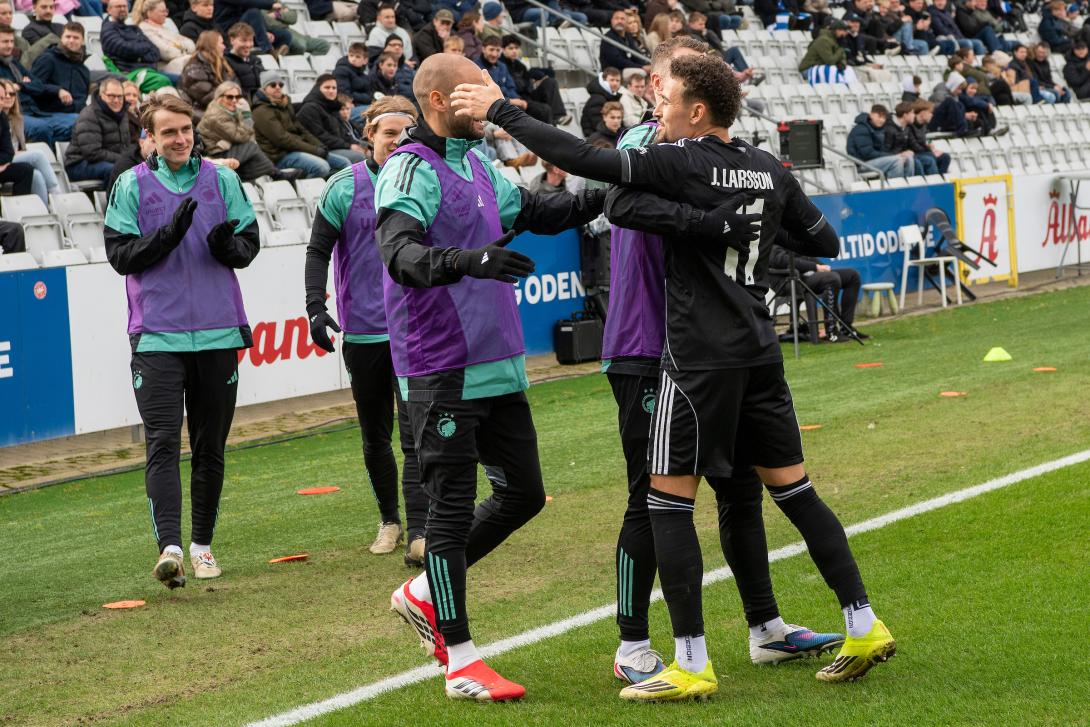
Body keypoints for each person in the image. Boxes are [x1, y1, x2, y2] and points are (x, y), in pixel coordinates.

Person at [450, 49, 896, 699]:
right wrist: (737, 229)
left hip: (696, 360)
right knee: (795, 492)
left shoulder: (681, 159)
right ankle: (862, 622)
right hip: (759, 351)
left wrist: (501, 111)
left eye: (667, 99)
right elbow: (822, 241)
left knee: (665, 502)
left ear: (696, 108)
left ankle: (687, 660)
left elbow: (589, 164)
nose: (658, 109)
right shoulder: (766, 165)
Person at [597, 35, 844, 687]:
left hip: (705, 346)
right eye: (667, 78)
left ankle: (766, 626)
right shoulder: (646, 146)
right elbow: (635, 207)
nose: (665, 93)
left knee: (739, 488)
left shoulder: (701, 153)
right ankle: (631, 641)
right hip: (647, 343)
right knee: (651, 494)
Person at [379, 53, 607, 702]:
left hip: (497, 362)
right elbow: (399, 254)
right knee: (448, 513)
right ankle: (460, 661)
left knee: (524, 494)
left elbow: (541, 211)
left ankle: (423, 592)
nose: (488, 101)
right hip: (441, 366)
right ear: (437, 100)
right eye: (475, 92)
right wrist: (469, 261)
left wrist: (621, 184)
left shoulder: (478, 162)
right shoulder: (409, 167)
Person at [104, 93, 258, 589]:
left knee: (211, 446)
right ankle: (170, 549)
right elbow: (121, 256)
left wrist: (226, 245)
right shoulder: (130, 184)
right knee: (164, 442)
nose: (180, 138)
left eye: (185, 129)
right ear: (148, 137)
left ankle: (203, 547)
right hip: (156, 338)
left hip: (218, 332)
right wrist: (166, 237)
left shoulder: (224, 180)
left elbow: (249, 246)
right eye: (168, 131)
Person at [304, 95, 430, 564]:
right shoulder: (343, 187)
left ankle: (420, 529)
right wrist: (315, 307)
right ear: (369, 137)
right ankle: (390, 521)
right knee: (376, 436)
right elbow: (318, 251)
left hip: (417, 333)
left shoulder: (426, 178)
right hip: (364, 335)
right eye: (389, 133)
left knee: (416, 434)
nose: (398, 141)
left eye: (406, 133)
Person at [0, 25, 77, 144]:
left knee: (79, 120)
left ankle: (50, 146)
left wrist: (20, 86)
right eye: (5, 42)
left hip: (35, 112)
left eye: (11, 41)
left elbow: (39, 86)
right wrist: (23, 85)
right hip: (13, 115)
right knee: (42, 128)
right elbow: (6, 92)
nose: (10, 45)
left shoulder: (13, 63)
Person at [770, 243, 863, 341]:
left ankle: (846, 327)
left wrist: (821, 266)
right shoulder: (773, 237)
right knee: (832, 278)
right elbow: (779, 260)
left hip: (808, 274)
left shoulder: (794, 237)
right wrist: (815, 267)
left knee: (852, 276)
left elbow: (807, 255)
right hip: (789, 279)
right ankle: (831, 331)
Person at [198, 80, 287, 181]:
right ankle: (276, 174)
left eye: (238, 97)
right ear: (219, 98)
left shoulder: (232, 111)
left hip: (228, 149)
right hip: (216, 155)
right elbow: (241, 138)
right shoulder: (216, 117)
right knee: (251, 147)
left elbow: (251, 135)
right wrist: (247, 115)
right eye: (230, 97)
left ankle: (272, 175)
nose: (234, 100)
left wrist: (245, 121)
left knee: (253, 152)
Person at [253, 69, 331, 178]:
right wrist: (314, 150)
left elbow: (301, 129)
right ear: (264, 88)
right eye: (273, 85)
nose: (278, 87)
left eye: (280, 84)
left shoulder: (285, 103)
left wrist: (318, 145)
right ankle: (303, 185)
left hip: (296, 149)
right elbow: (282, 139)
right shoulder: (261, 111)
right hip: (279, 156)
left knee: (343, 163)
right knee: (322, 167)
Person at [0, 78, 59, 202]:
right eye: (4, 95)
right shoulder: (3, 118)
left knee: (36, 174)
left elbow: (12, 150)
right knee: (37, 156)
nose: (8, 97)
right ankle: (57, 195)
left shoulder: (16, 119)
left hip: (8, 159)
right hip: (7, 160)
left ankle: (44, 208)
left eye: (12, 94)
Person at [66, 77, 130, 186]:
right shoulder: (89, 115)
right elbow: (92, 153)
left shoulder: (122, 113)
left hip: (108, 161)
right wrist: (123, 159)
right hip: (79, 164)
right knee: (117, 170)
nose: (116, 100)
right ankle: (112, 198)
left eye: (120, 96)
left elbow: (125, 147)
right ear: (101, 95)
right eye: (111, 96)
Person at [477, 35, 551, 124]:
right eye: (491, 50)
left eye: (497, 50)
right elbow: (486, 94)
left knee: (543, 109)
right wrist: (511, 101)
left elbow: (511, 86)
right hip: (493, 106)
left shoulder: (502, 66)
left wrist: (517, 99)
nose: (494, 54)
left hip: (510, 102)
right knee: (532, 111)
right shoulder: (476, 67)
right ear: (483, 49)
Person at [298, 73, 366, 165]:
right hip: (322, 150)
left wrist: (359, 145)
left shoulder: (332, 106)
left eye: (334, 88)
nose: (331, 91)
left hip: (337, 146)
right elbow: (321, 137)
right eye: (327, 87)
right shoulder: (310, 108)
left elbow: (343, 132)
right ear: (317, 89)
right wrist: (349, 146)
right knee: (359, 157)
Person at [499, 35, 568, 126]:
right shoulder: (500, 65)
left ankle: (558, 116)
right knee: (545, 109)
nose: (514, 51)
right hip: (516, 98)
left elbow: (527, 83)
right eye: (511, 48)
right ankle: (551, 129)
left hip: (528, 96)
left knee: (551, 82)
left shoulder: (520, 65)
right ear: (503, 49)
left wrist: (535, 82)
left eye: (516, 48)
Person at [30, 22, 89, 114]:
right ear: (61, 38)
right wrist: (57, 90)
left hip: (77, 113)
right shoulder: (48, 59)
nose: (71, 40)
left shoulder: (83, 69)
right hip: (49, 113)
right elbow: (32, 85)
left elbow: (82, 98)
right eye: (68, 37)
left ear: (82, 41)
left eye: (76, 38)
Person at [846, 104, 912, 178]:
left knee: (908, 158)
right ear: (871, 115)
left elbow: (884, 150)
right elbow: (868, 153)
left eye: (884, 118)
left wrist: (900, 154)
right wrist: (894, 156)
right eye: (879, 116)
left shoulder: (880, 129)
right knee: (897, 160)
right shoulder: (861, 129)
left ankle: (907, 183)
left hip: (876, 161)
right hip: (863, 163)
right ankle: (895, 185)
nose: (882, 120)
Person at [179, 30, 235, 111]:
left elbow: (233, 84)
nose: (224, 47)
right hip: (200, 111)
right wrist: (230, 96)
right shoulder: (194, 69)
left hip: (220, 107)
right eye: (221, 43)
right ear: (212, 46)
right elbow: (207, 97)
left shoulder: (221, 63)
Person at [102, 0, 162, 74]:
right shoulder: (108, 30)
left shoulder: (134, 28)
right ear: (109, 10)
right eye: (118, 6)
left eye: (125, 6)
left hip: (148, 70)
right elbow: (127, 49)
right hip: (128, 73)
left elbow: (156, 51)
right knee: (167, 79)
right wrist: (145, 50)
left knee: (173, 77)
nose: (122, 9)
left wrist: (139, 57)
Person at [138, 0, 195, 74]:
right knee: (191, 60)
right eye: (162, 11)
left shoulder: (166, 27)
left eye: (166, 11)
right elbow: (167, 53)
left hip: (180, 61)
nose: (166, 14)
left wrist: (177, 46)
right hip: (163, 68)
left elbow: (191, 45)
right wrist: (182, 48)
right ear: (149, 13)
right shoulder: (145, 29)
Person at [214, 0, 291, 54]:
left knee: (285, 35)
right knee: (253, 13)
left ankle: (277, 54)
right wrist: (271, 4)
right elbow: (246, 2)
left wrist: (265, 32)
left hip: (246, 30)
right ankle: (268, 50)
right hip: (230, 32)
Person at [800, 20, 860, 84]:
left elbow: (842, 58)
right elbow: (830, 61)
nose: (846, 33)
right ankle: (836, 89)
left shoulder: (837, 40)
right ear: (837, 30)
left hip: (823, 67)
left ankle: (848, 88)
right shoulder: (823, 40)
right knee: (832, 70)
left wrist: (842, 64)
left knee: (848, 70)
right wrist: (841, 49)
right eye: (844, 30)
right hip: (808, 69)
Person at [0, 89, 34, 195]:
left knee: (26, 170)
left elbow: (8, 152)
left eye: (2, 98)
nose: (2, 102)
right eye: (0, 98)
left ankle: (21, 206)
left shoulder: (2, 118)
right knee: (37, 156)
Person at [601, 8, 650, 76]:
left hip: (627, 68)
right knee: (641, 72)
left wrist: (646, 65)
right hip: (614, 72)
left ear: (626, 22)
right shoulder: (608, 38)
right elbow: (617, 61)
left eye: (622, 19)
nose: (619, 21)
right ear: (611, 21)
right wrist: (641, 67)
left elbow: (635, 54)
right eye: (616, 18)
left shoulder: (628, 36)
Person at [908, 100, 950, 173]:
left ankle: (941, 178)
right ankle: (935, 179)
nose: (932, 115)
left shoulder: (924, 126)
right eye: (930, 112)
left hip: (922, 152)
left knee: (945, 157)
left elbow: (923, 142)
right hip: (913, 153)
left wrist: (931, 148)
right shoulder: (909, 125)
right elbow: (913, 145)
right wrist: (930, 151)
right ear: (923, 113)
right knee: (930, 158)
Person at [224, 22, 263, 101]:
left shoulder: (256, 61)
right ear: (232, 40)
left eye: (251, 40)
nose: (248, 45)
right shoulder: (225, 62)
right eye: (244, 41)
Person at [580, 66, 622, 136]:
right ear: (604, 81)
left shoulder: (611, 96)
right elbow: (597, 124)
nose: (615, 83)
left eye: (617, 81)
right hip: (596, 138)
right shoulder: (597, 99)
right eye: (612, 80)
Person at [22, 0, 62, 66]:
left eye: (51, 7)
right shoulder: (29, 31)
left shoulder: (61, 27)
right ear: (34, 7)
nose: (48, 11)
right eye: (44, 7)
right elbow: (44, 53)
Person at [335, 42, 372, 113]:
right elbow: (344, 94)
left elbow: (370, 96)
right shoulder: (341, 71)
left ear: (365, 60)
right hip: (346, 108)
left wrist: (354, 94)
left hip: (362, 105)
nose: (353, 59)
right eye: (351, 55)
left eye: (358, 57)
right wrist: (364, 97)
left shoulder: (364, 76)